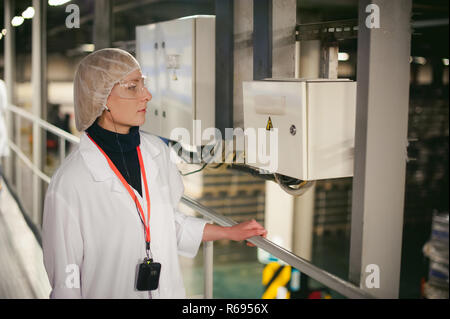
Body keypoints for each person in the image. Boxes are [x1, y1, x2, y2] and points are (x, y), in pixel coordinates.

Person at [42, 48, 267, 299]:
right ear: (102, 97)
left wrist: (229, 232)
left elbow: (166, 224)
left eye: (144, 85)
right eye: (133, 87)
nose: (147, 96)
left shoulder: (156, 152)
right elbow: (66, 281)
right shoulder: (70, 182)